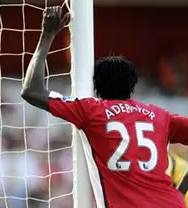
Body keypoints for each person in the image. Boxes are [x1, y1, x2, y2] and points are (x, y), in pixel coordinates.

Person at [21, 5, 188, 208]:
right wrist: (178, 193)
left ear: (97, 88)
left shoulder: (92, 111)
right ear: (132, 85)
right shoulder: (160, 115)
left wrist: (47, 35)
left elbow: (31, 90)